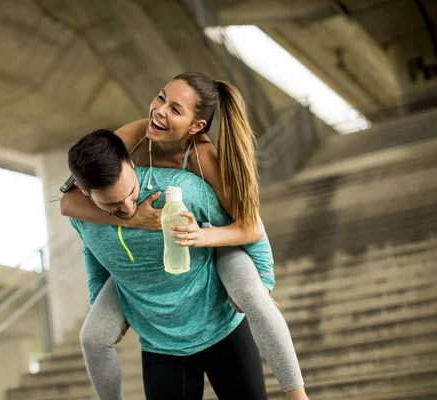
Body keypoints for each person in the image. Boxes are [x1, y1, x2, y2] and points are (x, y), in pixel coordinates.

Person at [61, 72, 307, 400]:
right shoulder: (131, 137)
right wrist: (133, 219)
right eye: (161, 97)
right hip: (160, 284)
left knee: (252, 294)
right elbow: (69, 202)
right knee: (91, 336)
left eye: (176, 109)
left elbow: (251, 226)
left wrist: (258, 274)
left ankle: (297, 394)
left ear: (196, 126)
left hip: (214, 242)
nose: (160, 110)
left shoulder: (204, 161)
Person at [66, 129, 269, 399]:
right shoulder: (82, 215)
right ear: (83, 191)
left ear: (129, 162)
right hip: (160, 347)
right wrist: (101, 304)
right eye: (113, 204)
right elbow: (94, 255)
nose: (128, 208)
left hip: (221, 329)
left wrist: (265, 280)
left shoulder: (182, 189)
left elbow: (246, 223)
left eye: (130, 192)